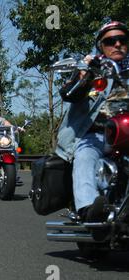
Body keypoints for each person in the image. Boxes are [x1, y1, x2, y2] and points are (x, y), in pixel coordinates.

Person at [55, 21, 129, 221]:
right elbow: (68, 94)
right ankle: (89, 209)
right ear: (101, 46)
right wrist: (86, 74)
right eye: (111, 41)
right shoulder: (90, 68)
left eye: (122, 40)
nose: (117, 44)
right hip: (97, 134)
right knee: (85, 156)